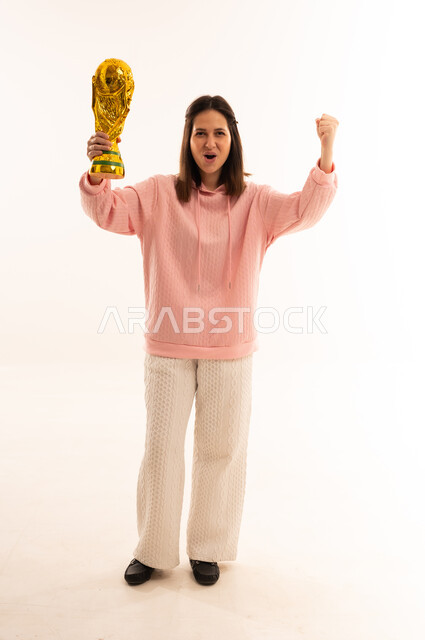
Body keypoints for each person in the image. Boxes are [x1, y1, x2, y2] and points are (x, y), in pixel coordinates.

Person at [79, 95, 339, 587]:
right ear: (188, 140)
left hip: (230, 349)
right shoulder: (158, 193)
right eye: (200, 133)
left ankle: (208, 548)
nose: (210, 142)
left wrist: (326, 153)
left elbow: (306, 210)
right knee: (161, 449)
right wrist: (98, 170)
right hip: (167, 347)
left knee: (221, 450)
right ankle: (153, 550)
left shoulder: (256, 202)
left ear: (232, 139)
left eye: (219, 133)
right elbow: (107, 211)